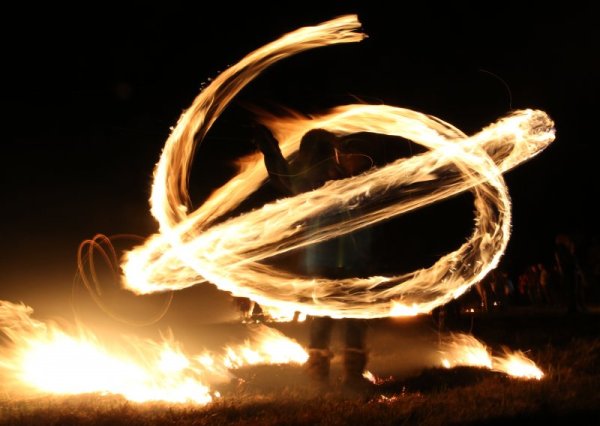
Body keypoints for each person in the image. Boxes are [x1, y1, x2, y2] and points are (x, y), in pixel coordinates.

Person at [252, 125, 374, 390]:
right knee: (339, 319)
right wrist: (269, 148)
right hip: (338, 258)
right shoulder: (321, 179)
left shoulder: (336, 178)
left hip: (338, 258)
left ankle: (333, 377)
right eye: (332, 149)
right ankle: (337, 377)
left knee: (335, 319)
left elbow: (281, 176)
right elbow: (281, 175)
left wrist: (270, 148)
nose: (336, 154)